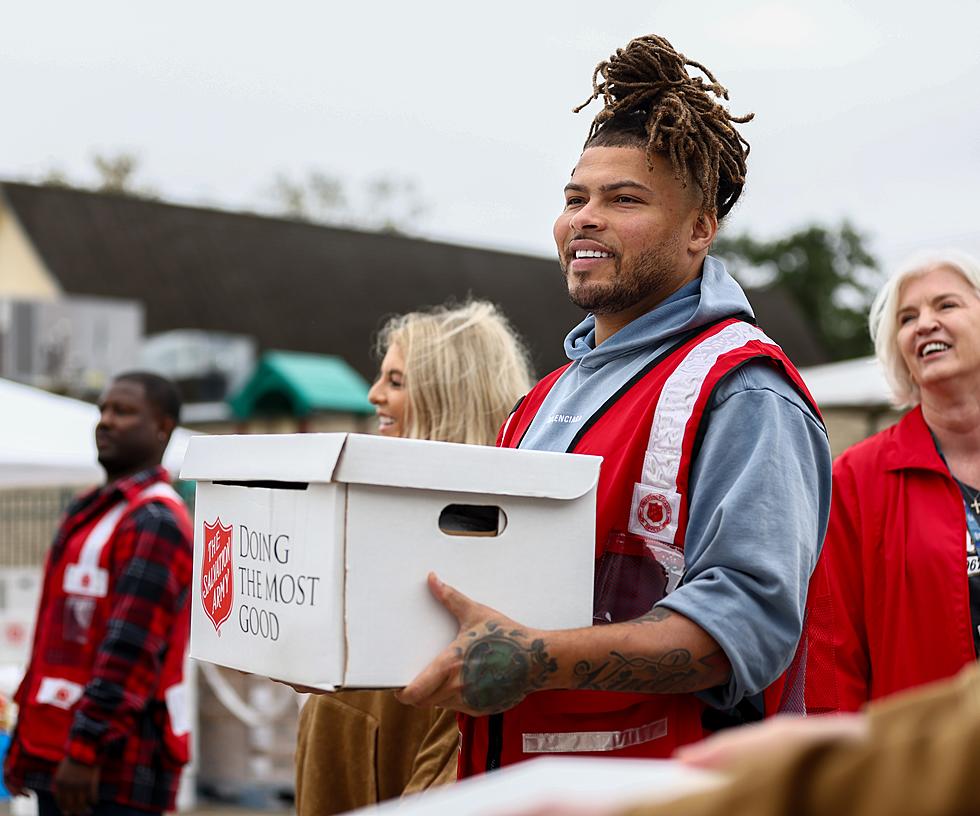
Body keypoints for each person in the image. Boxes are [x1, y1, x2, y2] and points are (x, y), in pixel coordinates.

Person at [397, 34, 832, 774]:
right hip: (516, 781)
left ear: (700, 229)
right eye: (575, 198)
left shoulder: (744, 388)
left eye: (623, 199)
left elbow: (746, 627)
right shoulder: (539, 400)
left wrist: (531, 661)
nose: (584, 219)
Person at [293, 300, 533, 815]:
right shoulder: (372, 514)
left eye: (396, 381)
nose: (374, 394)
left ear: (447, 396)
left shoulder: (496, 547)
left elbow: (452, 757)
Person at [3, 373, 193, 816]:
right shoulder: (93, 510)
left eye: (124, 412)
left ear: (162, 427)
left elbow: (129, 650)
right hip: (63, 752)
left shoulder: (155, 521)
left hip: (111, 770)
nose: (105, 421)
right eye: (102, 409)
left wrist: (85, 751)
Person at [805, 250, 980, 714]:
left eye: (946, 305)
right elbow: (831, 648)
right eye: (907, 317)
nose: (924, 324)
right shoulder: (856, 479)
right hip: (925, 767)